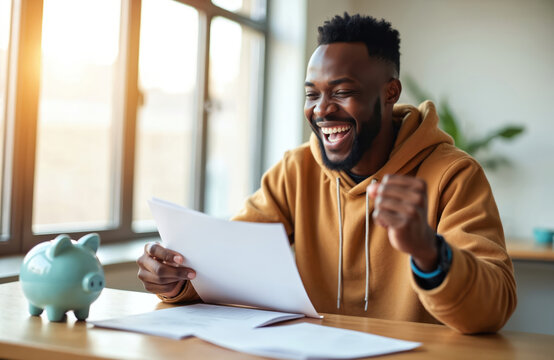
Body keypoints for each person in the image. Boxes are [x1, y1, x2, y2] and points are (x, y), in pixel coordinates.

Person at [137, 13, 516, 334]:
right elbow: (227, 268)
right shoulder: (295, 170)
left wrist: (429, 252)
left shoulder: (454, 175)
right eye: (312, 94)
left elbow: (493, 310)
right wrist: (174, 281)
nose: (322, 110)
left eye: (341, 91)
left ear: (390, 92)